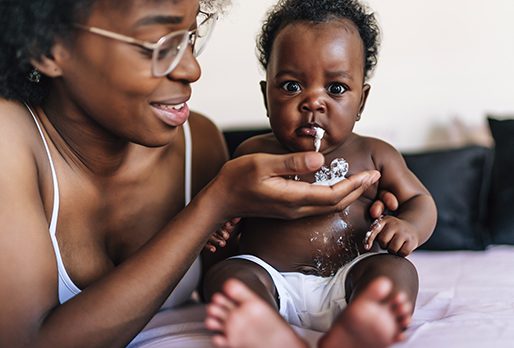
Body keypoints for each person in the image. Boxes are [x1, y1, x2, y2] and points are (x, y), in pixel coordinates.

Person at [0, 0, 397, 347]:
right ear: (48, 47)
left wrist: (352, 222)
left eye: (191, 37)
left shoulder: (200, 142)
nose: (192, 70)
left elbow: (237, 275)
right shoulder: (10, 138)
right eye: (159, 44)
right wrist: (215, 201)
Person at [203, 0, 437, 344]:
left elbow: (419, 199)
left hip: (351, 278)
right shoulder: (251, 154)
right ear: (266, 97)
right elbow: (223, 217)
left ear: (362, 102)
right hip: (270, 281)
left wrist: (409, 226)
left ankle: (363, 327)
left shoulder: (376, 154)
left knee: (396, 271)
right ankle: (260, 330)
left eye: (336, 88)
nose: (313, 101)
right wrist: (218, 235)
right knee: (228, 277)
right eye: (292, 86)